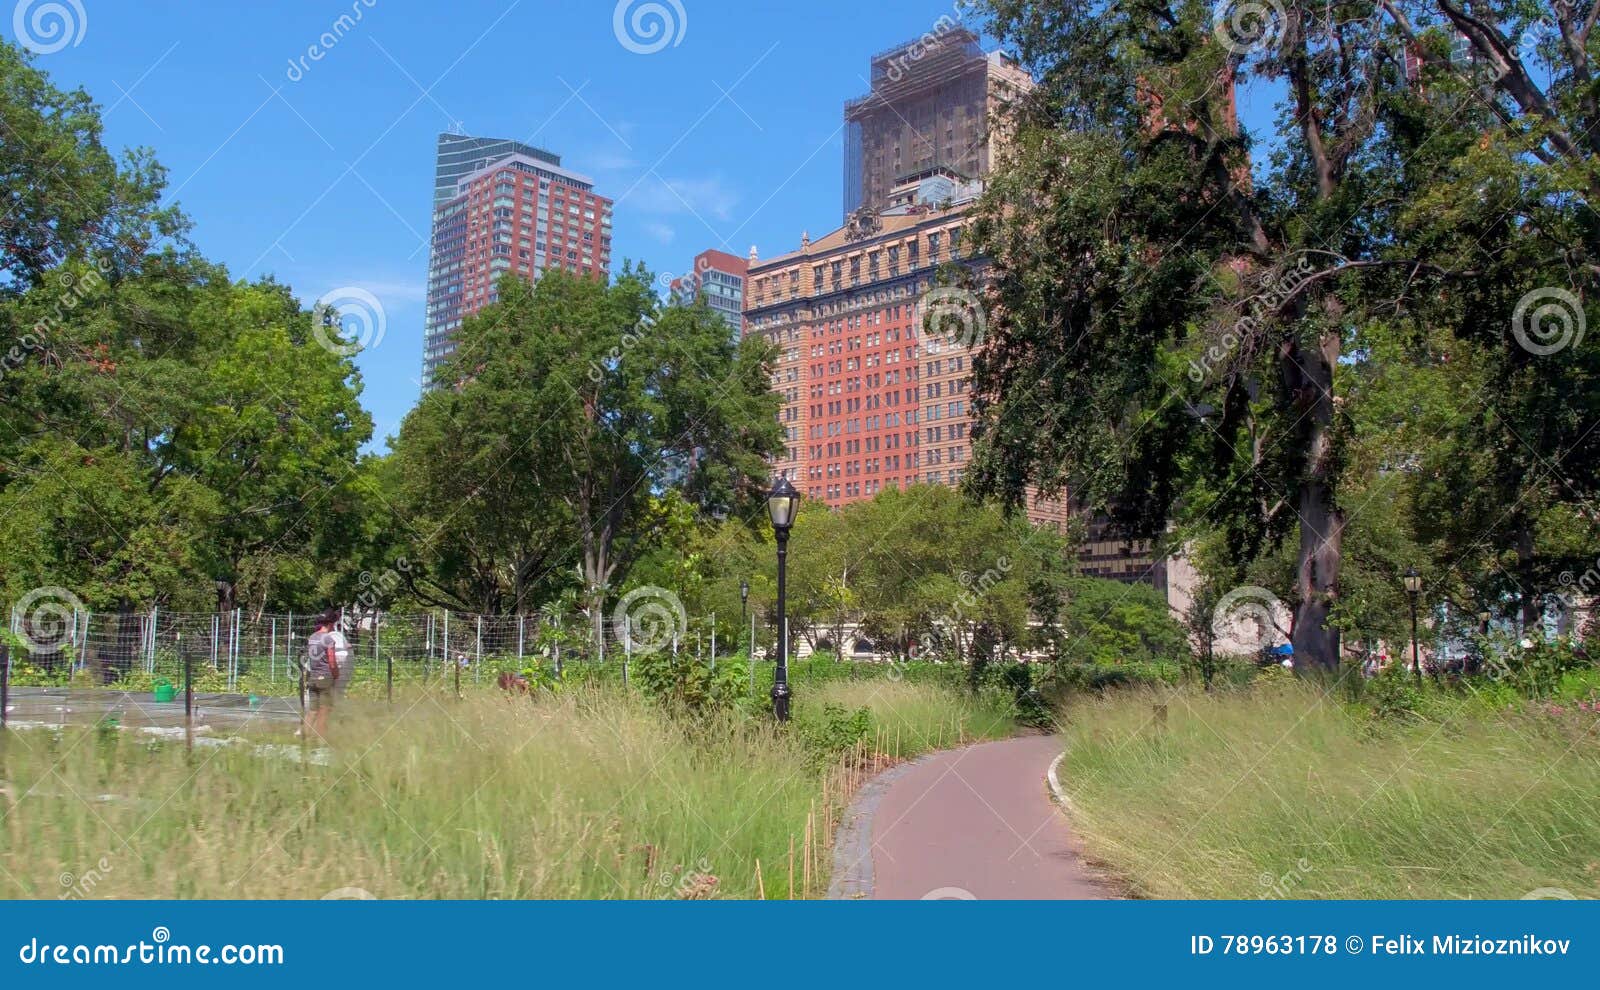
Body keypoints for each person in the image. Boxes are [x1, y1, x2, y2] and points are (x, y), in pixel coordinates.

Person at [304, 608, 342, 739]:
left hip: (313, 677)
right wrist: (336, 674)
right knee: (324, 710)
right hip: (325, 677)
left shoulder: (312, 637)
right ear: (331, 623)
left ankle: (305, 737)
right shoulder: (328, 640)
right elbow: (331, 661)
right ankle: (321, 741)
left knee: (313, 710)